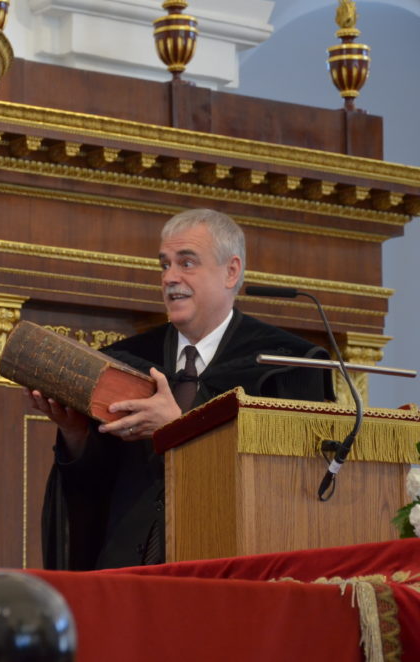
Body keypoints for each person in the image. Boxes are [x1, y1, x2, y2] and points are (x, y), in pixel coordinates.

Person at [29, 208, 331, 570]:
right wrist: (77, 436)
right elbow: (96, 490)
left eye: (186, 263)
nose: (170, 277)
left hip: (226, 567)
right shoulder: (126, 360)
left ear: (231, 271)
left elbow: (291, 489)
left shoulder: (288, 364)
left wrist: (180, 428)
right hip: (127, 570)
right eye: (164, 265)